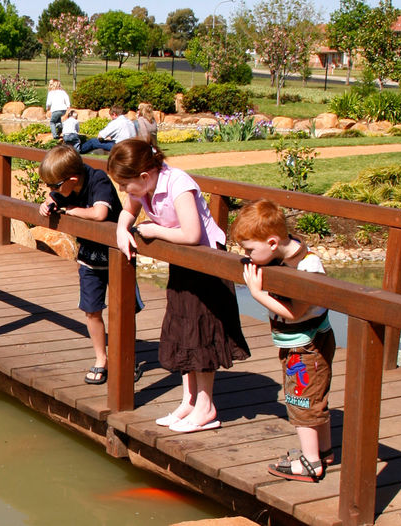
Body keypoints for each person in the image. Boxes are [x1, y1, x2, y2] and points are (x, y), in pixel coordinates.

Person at [107, 139, 250, 433]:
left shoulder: (178, 184)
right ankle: (189, 400)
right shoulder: (145, 184)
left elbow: (192, 234)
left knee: (201, 330)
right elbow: (128, 211)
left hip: (207, 265)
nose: (123, 190)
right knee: (182, 326)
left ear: (144, 175)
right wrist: (122, 228)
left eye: (125, 184)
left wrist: (155, 230)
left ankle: (206, 406)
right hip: (184, 264)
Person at [234, 199, 335, 483]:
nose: (248, 256)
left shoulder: (307, 267)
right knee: (314, 398)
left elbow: (295, 311)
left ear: (273, 242)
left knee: (300, 399)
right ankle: (323, 450)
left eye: (251, 250)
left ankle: (311, 462)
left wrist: (257, 294)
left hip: (306, 345)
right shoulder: (285, 254)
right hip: (302, 341)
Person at [38, 145, 142, 385]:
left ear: (72, 179)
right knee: (91, 310)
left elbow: (99, 214)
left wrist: (71, 210)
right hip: (89, 258)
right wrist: (48, 202)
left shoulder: (98, 180)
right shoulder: (65, 187)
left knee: (123, 312)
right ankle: (101, 358)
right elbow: (52, 197)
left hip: (118, 256)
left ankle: (128, 356)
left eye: (54, 186)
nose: (52, 190)